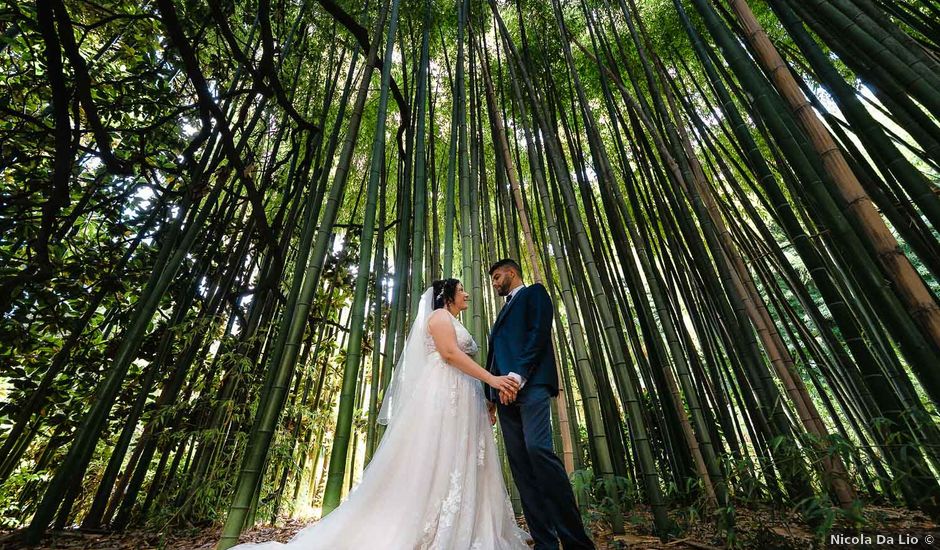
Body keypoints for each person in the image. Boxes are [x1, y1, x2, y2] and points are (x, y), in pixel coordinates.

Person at [228, 279, 530, 549]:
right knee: (441, 456)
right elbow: (450, 355)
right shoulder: (438, 317)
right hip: (445, 395)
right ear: (447, 295)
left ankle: (470, 523)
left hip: (463, 396)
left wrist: (484, 401)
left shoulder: (450, 318)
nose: (467, 293)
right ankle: (433, 525)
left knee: (461, 457)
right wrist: (492, 380)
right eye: (462, 289)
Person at [486, 259, 595, 550]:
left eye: (497, 277)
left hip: (530, 385)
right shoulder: (503, 311)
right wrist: (491, 395)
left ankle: (576, 542)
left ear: (511, 272)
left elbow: (537, 335)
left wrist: (517, 377)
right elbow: (494, 354)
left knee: (539, 451)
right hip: (504, 395)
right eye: (493, 280)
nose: (495, 283)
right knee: (521, 468)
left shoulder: (535, 293)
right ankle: (545, 544)